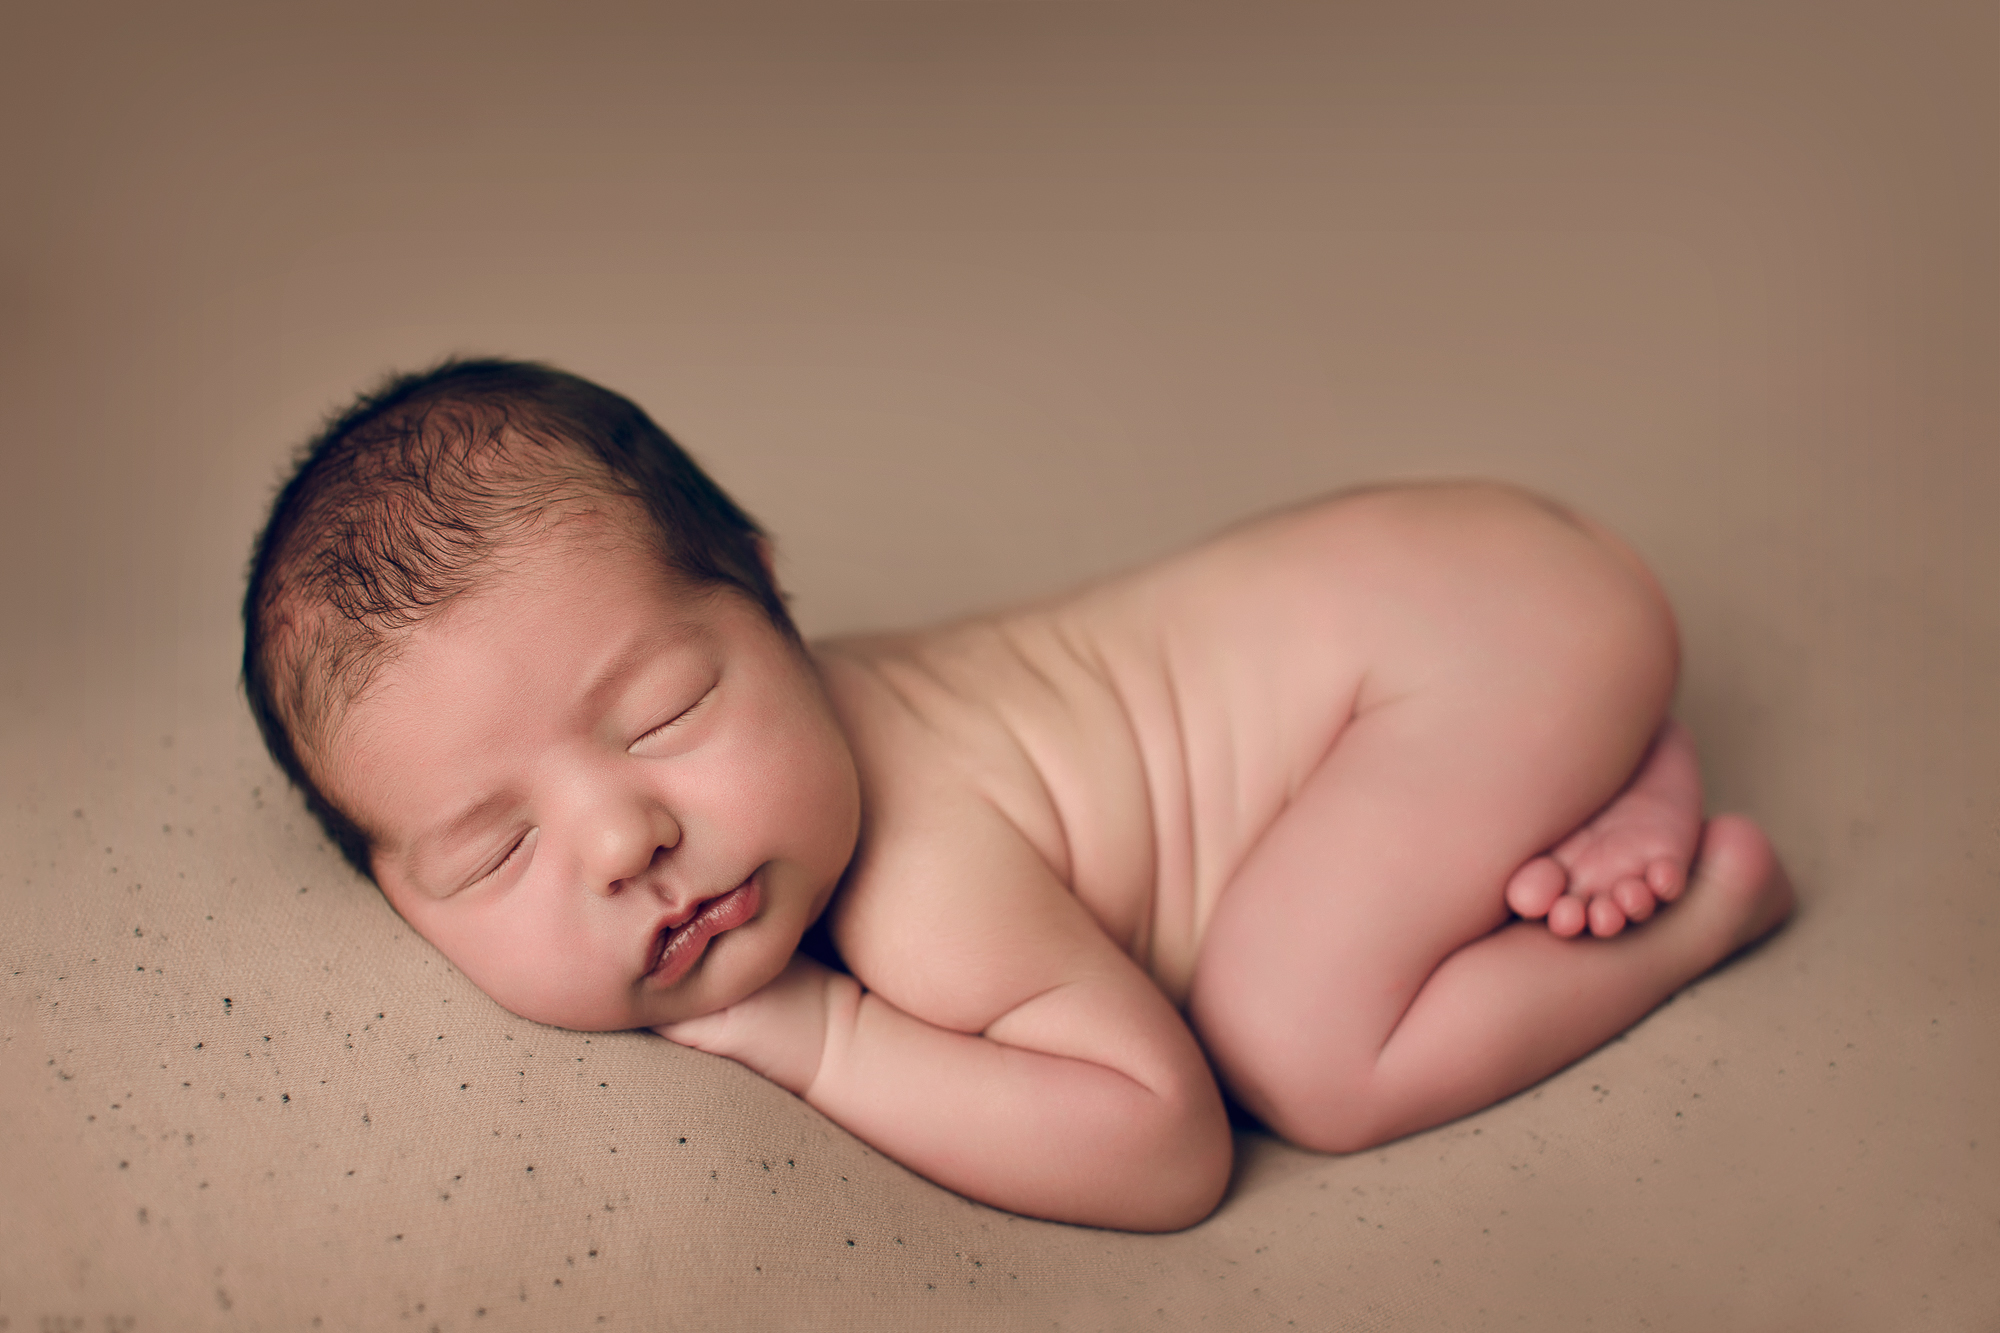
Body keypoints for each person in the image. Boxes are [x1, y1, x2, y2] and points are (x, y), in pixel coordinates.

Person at [243, 358, 1792, 1232]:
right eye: (492, 849)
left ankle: (1701, 897)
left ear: (777, 606)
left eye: (668, 712)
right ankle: (1584, 764)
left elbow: (1166, 1146)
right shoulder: (786, 742)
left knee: (1299, 1049)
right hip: (1451, 582)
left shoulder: (922, 876)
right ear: (396, 890)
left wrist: (825, 1033)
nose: (619, 837)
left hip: (1482, 638)